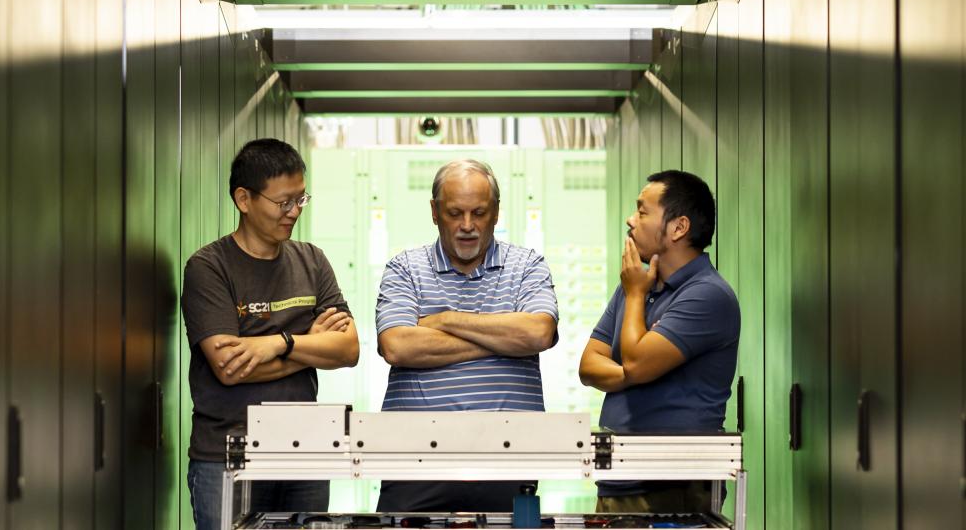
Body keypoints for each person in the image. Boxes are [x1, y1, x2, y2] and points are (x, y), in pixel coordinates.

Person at [181, 138, 360, 530]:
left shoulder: (312, 260)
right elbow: (229, 366)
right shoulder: (209, 268)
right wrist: (310, 346)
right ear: (244, 199)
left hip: (304, 455)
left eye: (301, 199)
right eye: (283, 202)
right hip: (228, 457)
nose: (294, 212)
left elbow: (348, 349)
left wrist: (278, 343)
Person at [374, 159, 559, 512]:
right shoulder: (405, 269)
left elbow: (537, 333)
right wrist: (501, 339)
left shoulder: (527, 266)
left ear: (497, 212)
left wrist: (443, 319)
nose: (467, 226)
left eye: (479, 212)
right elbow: (397, 346)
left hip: (510, 461)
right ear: (434, 211)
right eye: (455, 213)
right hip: (413, 463)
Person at [578, 170, 740, 514]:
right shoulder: (635, 285)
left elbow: (635, 362)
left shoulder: (707, 295)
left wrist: (635, 296)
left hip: (673, 486)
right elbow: (589, 364)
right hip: (618, 479)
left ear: (678, 228)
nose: (630, 219)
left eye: (642, 211)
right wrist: (631, 374)